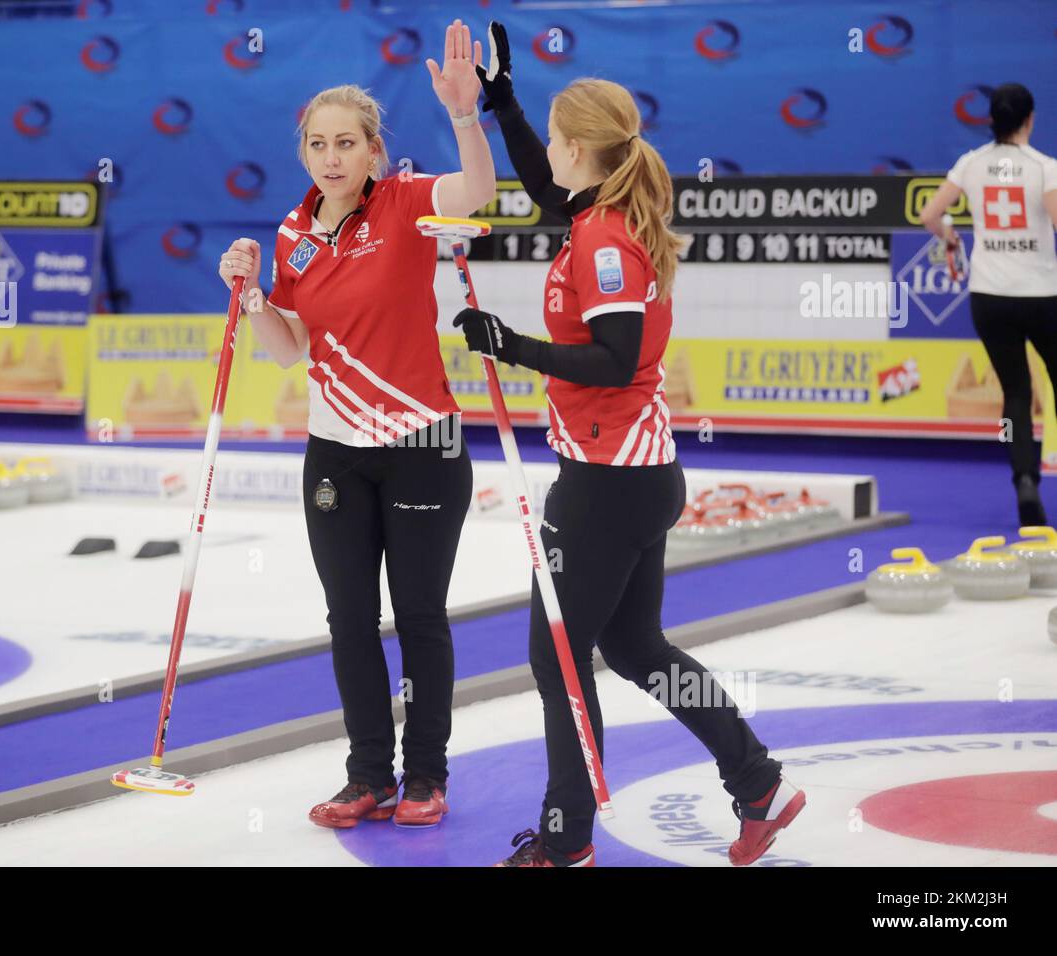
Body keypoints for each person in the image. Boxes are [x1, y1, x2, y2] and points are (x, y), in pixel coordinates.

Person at [454, 24, 804, 866]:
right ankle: (758, 783)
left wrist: (511, 346)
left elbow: (613, 361)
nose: (548, 156)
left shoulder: (604, 241)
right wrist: (501, 101)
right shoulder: (594, 211)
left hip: (608, 483)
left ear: (578, 147)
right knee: (636, 648)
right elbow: (543, 187)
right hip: (634, 475)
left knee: (559, 662)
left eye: (551, 133)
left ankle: (568, 839)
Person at [218, 21, 495, 830]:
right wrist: (254, 298)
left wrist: (464, 115)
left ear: (375, 151)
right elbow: (288, 352)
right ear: (304, 154)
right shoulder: (294, 235)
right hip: (335, 451)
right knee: (348, 619)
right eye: (318, 144)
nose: (332, 157)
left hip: (422, 447)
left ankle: (426, 776)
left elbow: (475, 190)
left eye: (347, 142)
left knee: (417, 616)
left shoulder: (408, 204)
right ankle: (367, 774)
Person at [920, 83, 1057, 527]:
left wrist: (948, 235)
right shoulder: (1044, 168)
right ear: (1029, 120)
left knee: (1015, 391)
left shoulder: (971, 163)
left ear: (991, 121)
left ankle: (1024, 481)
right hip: (1041, 296)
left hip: (989, 297)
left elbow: (929, 215)